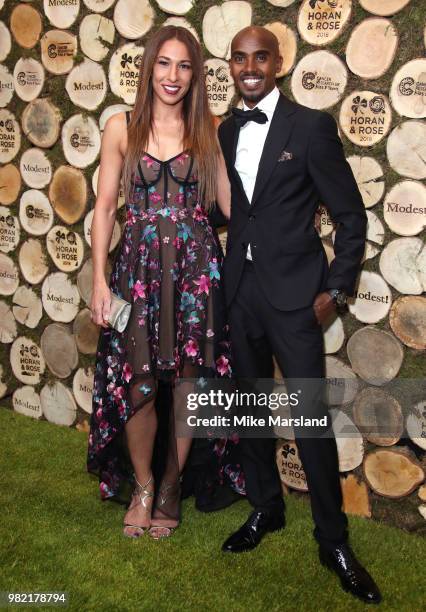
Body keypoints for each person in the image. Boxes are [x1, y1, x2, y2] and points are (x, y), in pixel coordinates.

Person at [217, 26, 381, 604]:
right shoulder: (226, 127)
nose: (250, 66)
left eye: (261, 56)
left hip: (296, 299)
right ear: (231, 66)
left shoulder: (310, 127)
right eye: (240, 58)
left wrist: (335, 292)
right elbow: (237, 209)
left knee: (309, 421)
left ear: (279, 63)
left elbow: (350, 216)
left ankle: (333, 540)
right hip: (241, 293)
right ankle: (267, 508)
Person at [87, 25, 242, 540]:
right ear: (149, 67)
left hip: (198, 273)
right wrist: (98, 282)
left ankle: (174, 484)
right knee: (141, 382)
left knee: (191, 384)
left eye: (184, 66)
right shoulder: (120, 127)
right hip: (136, 274)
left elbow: (229, 206)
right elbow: (105, 207)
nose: (172, 76)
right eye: (164, 64)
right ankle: (144, 486)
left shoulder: (209, 129)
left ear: (195, 75)